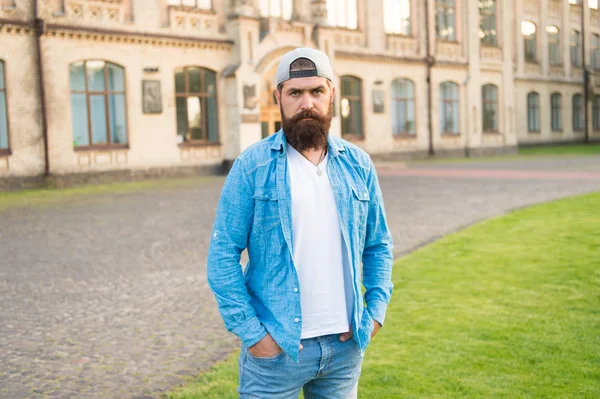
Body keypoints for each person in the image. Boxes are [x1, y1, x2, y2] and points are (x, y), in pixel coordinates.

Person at [207, 47, 393, 399]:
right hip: (275, 354)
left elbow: (378, 244)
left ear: (331, 94)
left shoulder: (359, 165)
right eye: (295, 92)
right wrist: (255, 336)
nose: (306, 103)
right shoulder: (252, 167)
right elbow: (221, 257)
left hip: (344, 350)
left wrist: (375, 314)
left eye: (316, 91)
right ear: (278, 96)